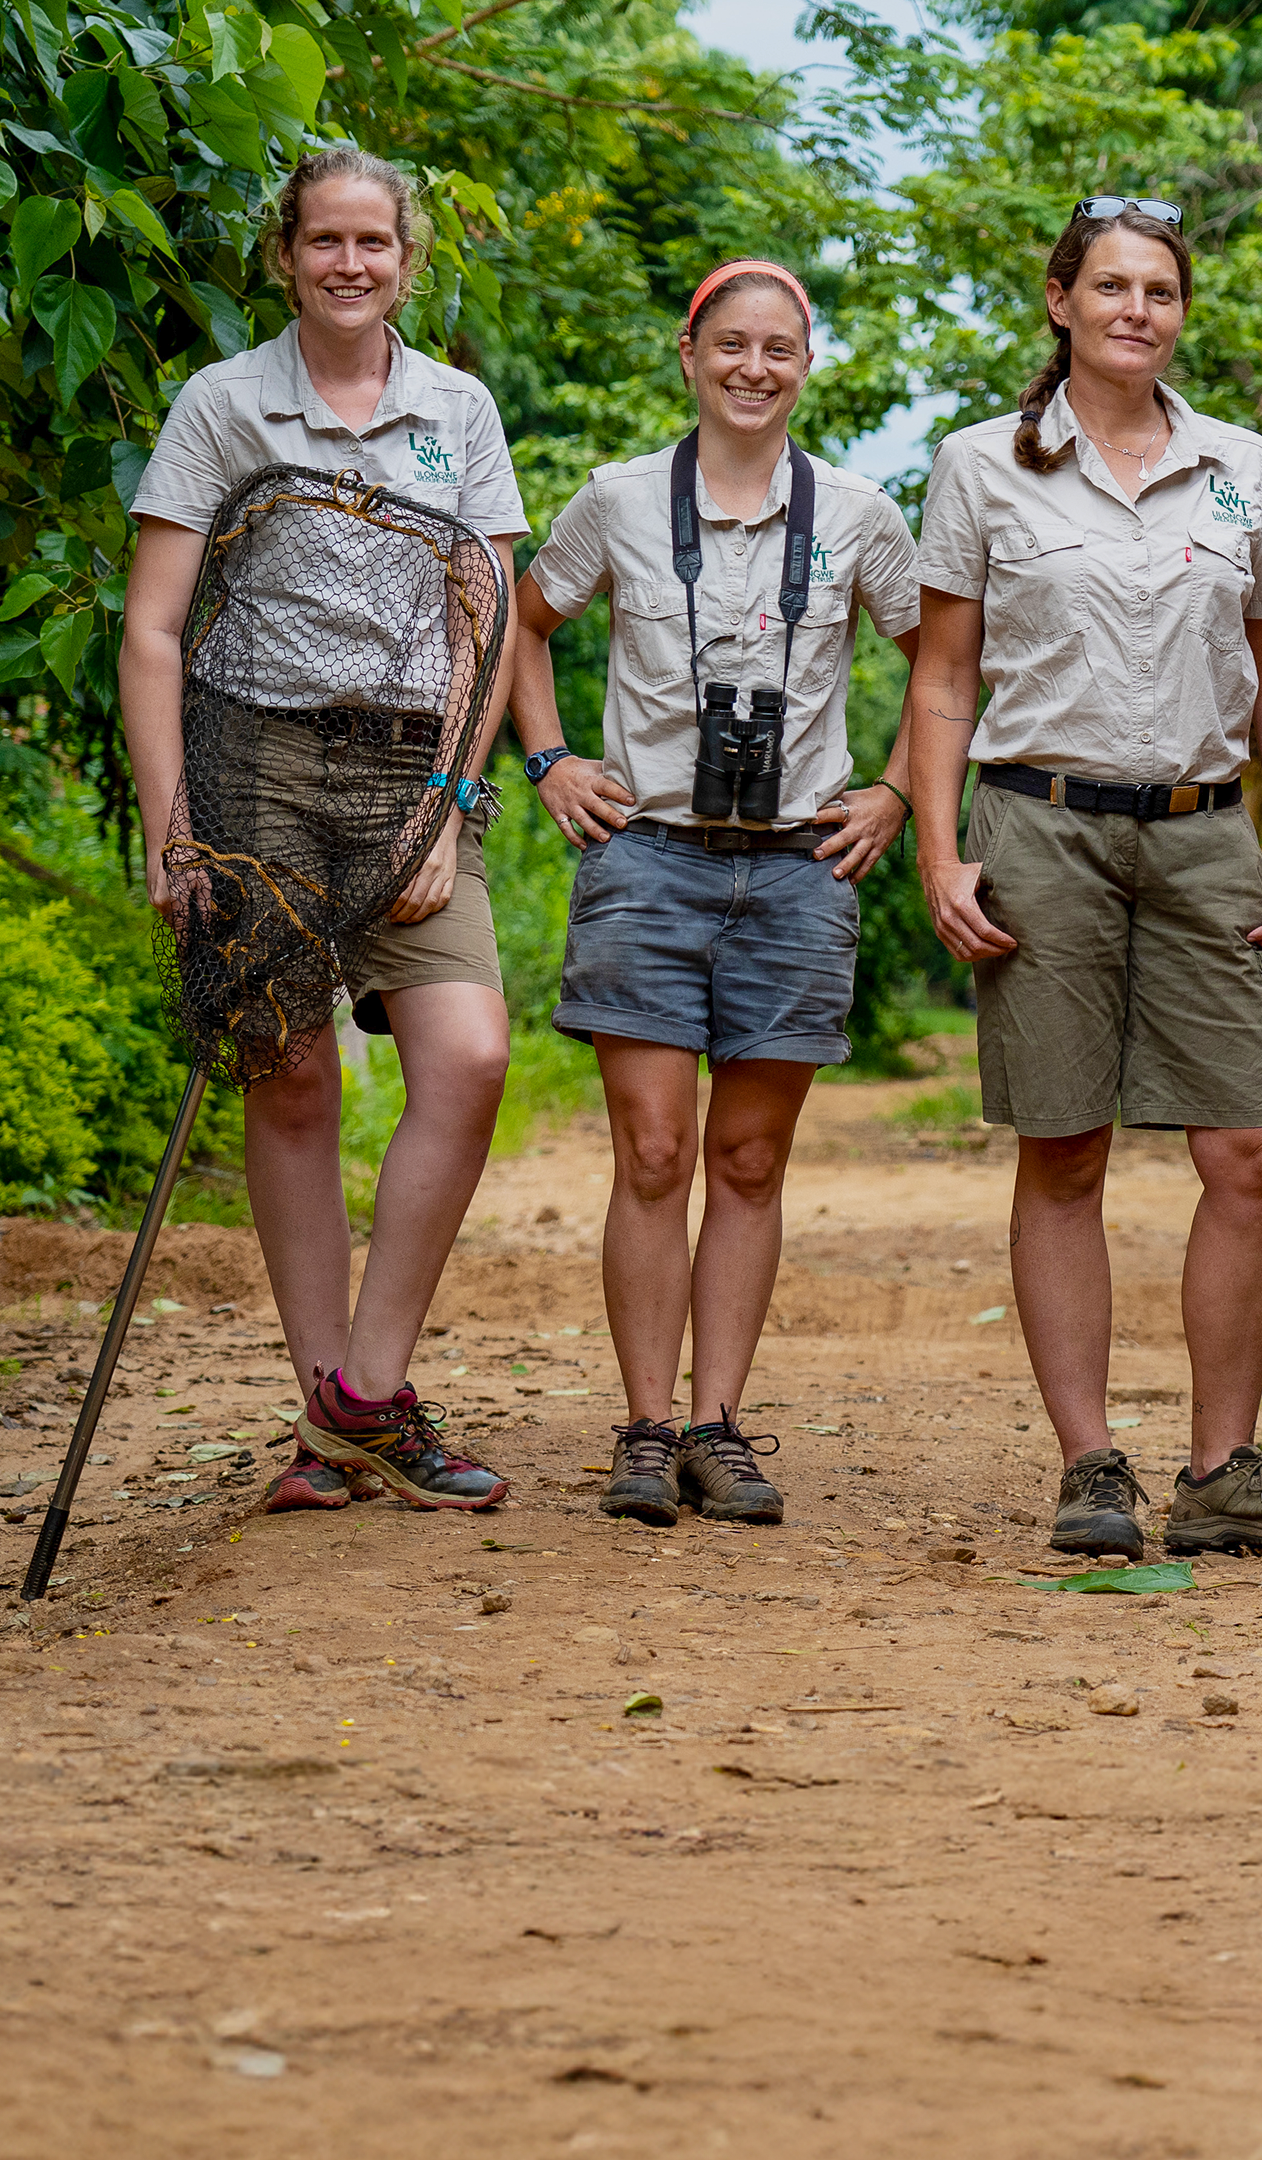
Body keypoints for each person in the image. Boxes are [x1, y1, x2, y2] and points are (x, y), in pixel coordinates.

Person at [903, 196, 1262, 1559]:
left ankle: (1223, 1469)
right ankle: (1092, 1464)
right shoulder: (983, 465)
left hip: (1207, 828)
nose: (1136, 309)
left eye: (1159, 289)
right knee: (1064, 1146)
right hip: (1039, 825)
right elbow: (941, 676)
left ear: (1179, 312)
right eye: (1110, 285)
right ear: (1061, 301)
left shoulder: (1242, 468)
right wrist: (941, 850)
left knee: (1255, 1148)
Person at [122, 146, 520, 1512]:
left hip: (414, 766)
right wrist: (175, 828)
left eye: (376, 244)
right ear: (286, 256)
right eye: (325, 242)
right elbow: (154, 626)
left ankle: (366, 1392)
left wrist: (448, 803)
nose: (351, 265)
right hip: (258, 761)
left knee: (466, 1058)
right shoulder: (223, 404)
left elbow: (489, 614)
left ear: (408, 261)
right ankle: (325, 1422)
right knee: (288, 1075)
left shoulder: (456, 408)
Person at [500, 260, 923, 1528]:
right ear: (688, 352)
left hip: (801, 864)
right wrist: (549, 757)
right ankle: (640, 1426)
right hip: (650, 855)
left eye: (779, 349)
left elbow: (950, 656)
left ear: (808, 363)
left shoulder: (856, 514)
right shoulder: (621, 499)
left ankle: (718, 1427)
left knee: (748, 1158)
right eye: (731, 345)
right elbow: (522, 618)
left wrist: (896, 790)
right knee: (653, 1152)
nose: (754, 368)